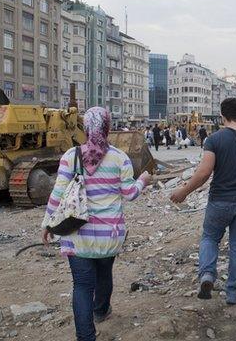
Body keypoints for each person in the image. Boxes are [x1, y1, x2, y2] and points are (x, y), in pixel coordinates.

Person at [42, 107, 151, 341]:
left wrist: (47, 224)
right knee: (104, 275)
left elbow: (58, 193)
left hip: (77, 233)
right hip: (109, 234)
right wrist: (143, 180)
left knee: (82, 285)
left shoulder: (71, 156)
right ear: (107, 127)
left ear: (86, 127)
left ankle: (86, 336)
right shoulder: (119, 158)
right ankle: (101, 311)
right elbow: (130, 194)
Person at [171, 98, 236, 305]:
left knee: (209, 238)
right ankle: (232, 293)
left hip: (219, 201)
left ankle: (207, 275)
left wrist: (184, 192)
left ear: (222, 116)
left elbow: (204, 172)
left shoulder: (214, 140)